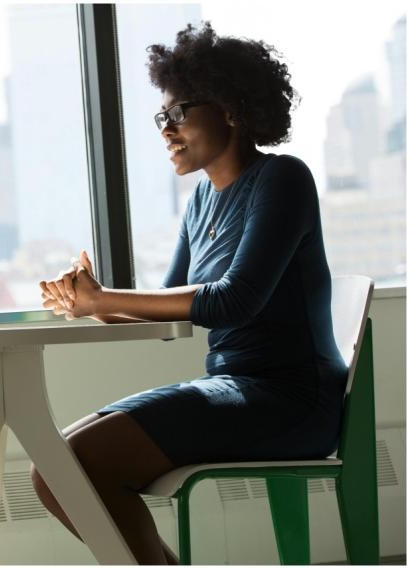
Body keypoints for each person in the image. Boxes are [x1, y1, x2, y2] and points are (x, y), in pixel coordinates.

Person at [34, 23, 347, 564]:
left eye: (179, 113)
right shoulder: (201, 199)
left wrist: (104, 299)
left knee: (76, 464)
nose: (166, 130)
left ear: (229, 107)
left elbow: (233, 301)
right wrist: (85, 302)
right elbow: (169, 315)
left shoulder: (283, 180)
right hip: (234, 387)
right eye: (163, 117)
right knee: (54, 467)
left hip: (292, 400)